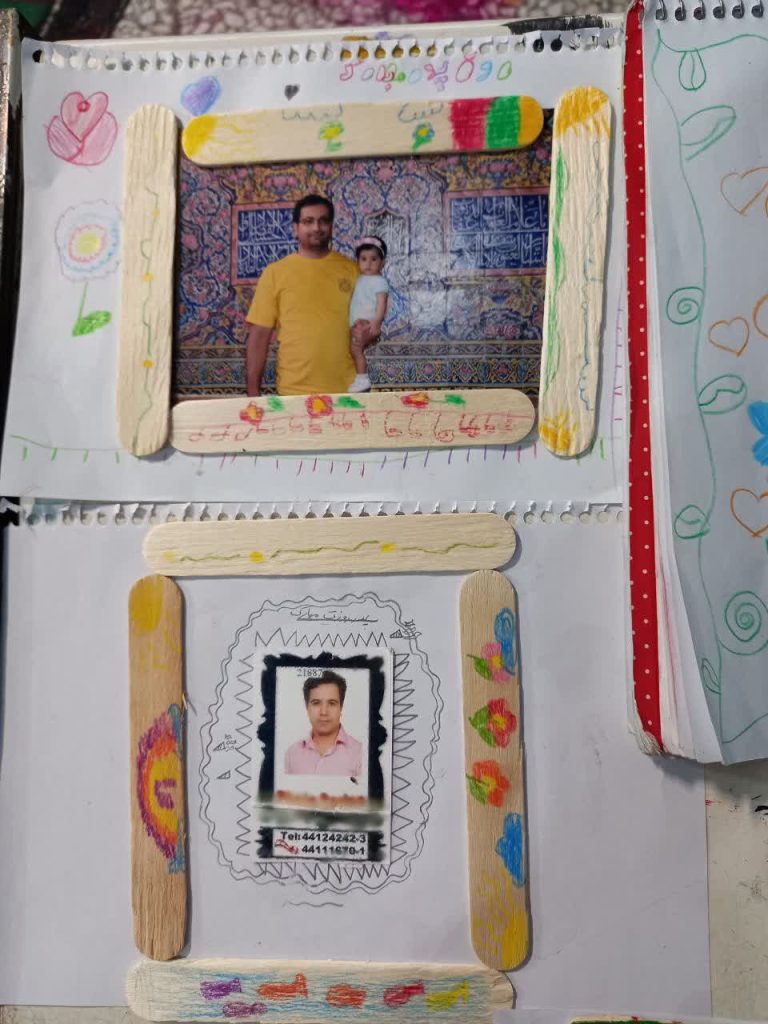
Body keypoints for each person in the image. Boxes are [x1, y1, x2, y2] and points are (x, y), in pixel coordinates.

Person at [244, 194, 377, 396]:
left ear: (331, 226)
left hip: (347, 392)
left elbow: (371, 329)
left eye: (323, 221)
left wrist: (368, 333)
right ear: (296, 228)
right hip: (294, 393)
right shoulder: (275, 273)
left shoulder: (352, 271)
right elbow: (258, 338)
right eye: (308, 221)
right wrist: (252, 394)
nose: (317, 227)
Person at [284, 669, 363, 777]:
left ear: (341, 707)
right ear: (307, 707)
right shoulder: (292, 753)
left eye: (332, 703)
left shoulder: (360, 754)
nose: (324, 712)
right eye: (316, 703)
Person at [348, 235, 389, 393]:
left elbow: (381, 303)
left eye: (374, 259)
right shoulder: (360, 279)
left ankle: (362, 378)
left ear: (382, 262)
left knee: (355, 349)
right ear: (358, 261)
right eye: (364, 259)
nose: (368, 264)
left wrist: (376, 322)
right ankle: (360, 377)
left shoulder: (379, 281)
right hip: (358, 321)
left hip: (367, 321)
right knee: (354, 349)